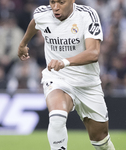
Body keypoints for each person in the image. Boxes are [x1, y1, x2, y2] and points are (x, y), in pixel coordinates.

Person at [18, 0, 115, 150]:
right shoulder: (42, 14)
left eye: (61, 2)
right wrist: (23, 44)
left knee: (101, 141)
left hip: (87, 84)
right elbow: (34, 24)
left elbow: (93, 53)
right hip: (57, 78)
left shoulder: (87, 15)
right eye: (52, 2)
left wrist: (64, 62)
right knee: (57, 117)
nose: (55, 7)